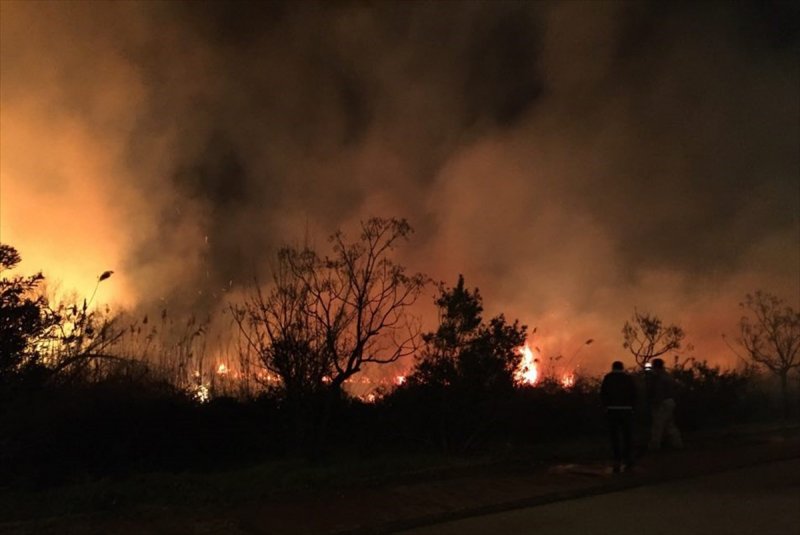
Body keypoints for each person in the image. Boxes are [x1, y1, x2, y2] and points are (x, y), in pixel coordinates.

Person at [600, 360, 637, 473]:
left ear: (613, 367)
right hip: (626, 410)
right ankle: (628, 459)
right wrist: (632, 407)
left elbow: (603, 393)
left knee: (614, 435)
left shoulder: (608, 378)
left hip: (612, 410)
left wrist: (605, 406)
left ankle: (617, 458)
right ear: (622, 367)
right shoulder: (628, 378)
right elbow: (634, 393)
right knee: (627, 435)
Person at [647, 358, 683, 451]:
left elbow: (657, 391)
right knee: (669, 425)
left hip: (662, 403)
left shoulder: (658, 376)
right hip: (670, 401)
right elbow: (676, 387)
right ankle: (677, 444)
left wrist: (655, 402)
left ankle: (655, 446)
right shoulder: (667, 375)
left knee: (658, 426)